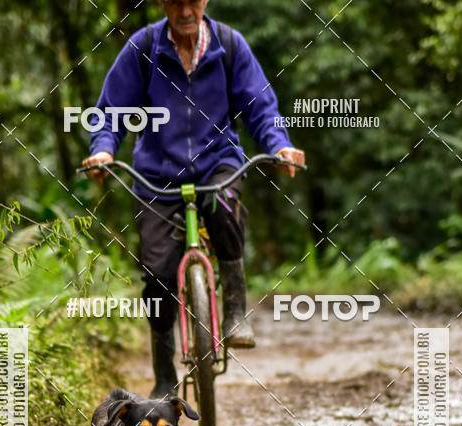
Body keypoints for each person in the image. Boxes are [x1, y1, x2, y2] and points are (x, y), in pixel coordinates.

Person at [82, 0, 305, 398]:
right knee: (157, 279)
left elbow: (261, 108)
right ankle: (164, 374)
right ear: (162, 4)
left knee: (222, 204)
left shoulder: (229, 45)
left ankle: (236, 308)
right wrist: (103, 149)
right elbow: (111, 112)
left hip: (217, 162)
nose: (185, 9)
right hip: (156, 175)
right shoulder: (143, 47)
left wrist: (280, 146)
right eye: (175, 0)